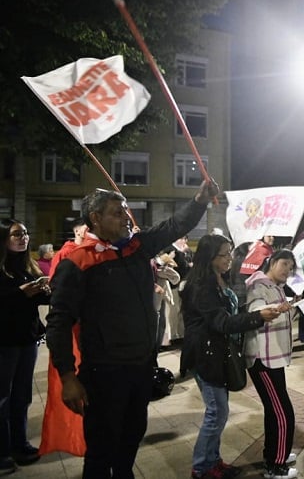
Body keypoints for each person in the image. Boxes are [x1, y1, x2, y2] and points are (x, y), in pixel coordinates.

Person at [46, 180, 219, 478]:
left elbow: (174, 226)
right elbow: (58, 322)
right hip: (103, 373)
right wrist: (67, 376)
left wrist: (200, 200)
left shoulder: (136, 247)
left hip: (140, 366)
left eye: (126, 210)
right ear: (96, 218)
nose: (127, 217)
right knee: (101, 452)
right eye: (117, 212)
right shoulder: (78, 261)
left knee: (130, 440)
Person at [180, 234, 280, 479]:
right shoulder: (201, 285)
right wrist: (258, 317)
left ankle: (213, 461)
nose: (229, 259)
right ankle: (202, 467)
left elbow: (230, 312)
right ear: (209, 256)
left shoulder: (218, 278)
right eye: (223, 254)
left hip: (218, 353)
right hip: (205, 354)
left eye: (230, 253)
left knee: (219, 411)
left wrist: (257, 310)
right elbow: (221, 322)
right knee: (217, 412)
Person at [244, 249, 299, 479]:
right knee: (282, 413)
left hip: (274, 357)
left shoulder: (275, 286)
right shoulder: (259, 285)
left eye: (291, 267)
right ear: (272, 262)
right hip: (263, 359)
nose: (287, 270)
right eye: (284, 264)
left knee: (275, 410)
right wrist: (278, 308)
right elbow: (256, 310)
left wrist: (290, 307)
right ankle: (276, 466)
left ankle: (276, 452)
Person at [1, 219, 51, 473]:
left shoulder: (26, 267)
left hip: (27, 340)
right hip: (5, 342)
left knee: (22, 397)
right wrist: (22, 293)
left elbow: (39, 299)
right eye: (16, 234)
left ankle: (20, 445)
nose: (24, 238)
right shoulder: (3, 270)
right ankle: (2, 452)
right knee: (2, 398)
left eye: (25, 233)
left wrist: (44, 288)